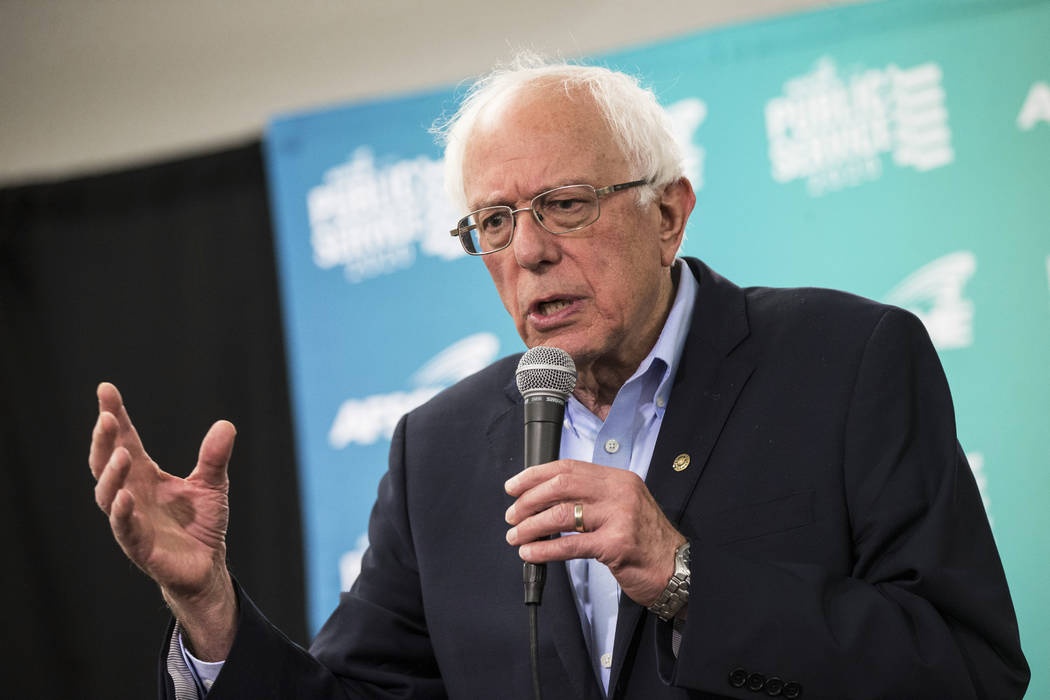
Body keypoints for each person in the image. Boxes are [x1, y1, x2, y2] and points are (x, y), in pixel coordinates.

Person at [89, 57, 1029, 699]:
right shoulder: (441, 448)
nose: (528, 250)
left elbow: (968, 669)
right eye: (493, 222)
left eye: (564, 205)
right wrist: (209, 608)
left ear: (670, 214)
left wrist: (688, 579)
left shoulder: (848, 360)